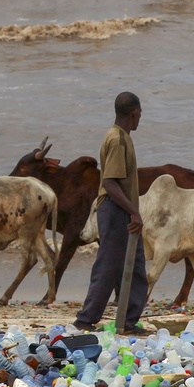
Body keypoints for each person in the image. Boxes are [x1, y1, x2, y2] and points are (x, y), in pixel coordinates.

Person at [73, 92, 151, 335]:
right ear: (134, 113)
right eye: (140, 114)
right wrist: (133, 213)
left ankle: (127, 321)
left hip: (122, 207)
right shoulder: (117, 140)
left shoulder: (122, 137)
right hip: (115, 207)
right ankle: (85, 320)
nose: (140, 118)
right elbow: (109, 183)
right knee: (109, 265)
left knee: (135, 263)